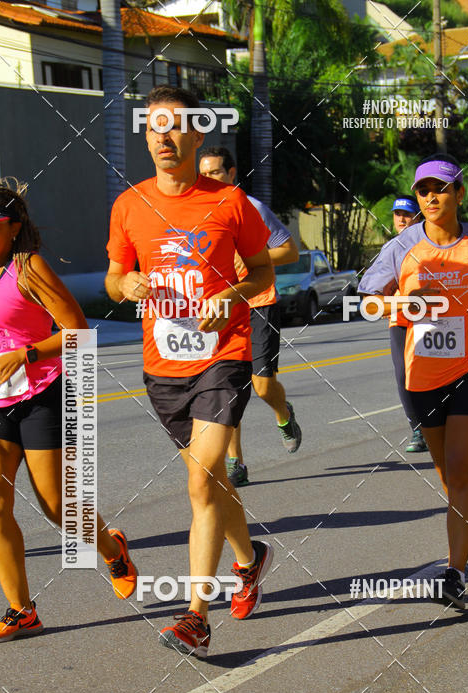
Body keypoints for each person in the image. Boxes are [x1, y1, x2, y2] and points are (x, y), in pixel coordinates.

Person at [105, 86, 275, 657]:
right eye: (155, 127)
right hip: (162, 367)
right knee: (215, 483)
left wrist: (232, 295)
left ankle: (196, 616)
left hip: (222, 357)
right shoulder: (129, 205)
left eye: (176, 126)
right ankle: (249, 562)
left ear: (198, 135)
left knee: (201, 481)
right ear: (146, 136)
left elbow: (262, 269)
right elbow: (113, 277)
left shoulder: (229, 203)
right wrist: (124, 284)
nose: (164, 136)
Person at [359, 154, 468, 608]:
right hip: (423, 373)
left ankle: (453, 573)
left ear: (459, 194)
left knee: (463, 469)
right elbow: (369, 301)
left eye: (442, 188)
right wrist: (403, 305)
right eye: (424, 190)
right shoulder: (402, 246)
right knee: (451, 479)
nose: (432, 197)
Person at [0, 180, 137, 642]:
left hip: (42, 393)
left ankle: (113, 551)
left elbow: (80, 333)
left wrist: (28, 353)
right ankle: (22, 610)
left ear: (13, 228)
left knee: (59, 507)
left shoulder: (28, 268)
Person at [198, 146, 301, 487]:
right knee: (226, 386)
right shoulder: (195, 212)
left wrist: (252, 260)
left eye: (214, 172)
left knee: (262, 384)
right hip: (221, 309)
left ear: (231, 174)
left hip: (258, 302)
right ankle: (235, 462)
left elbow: (289, 250)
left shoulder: (251, 207)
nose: (207, 178)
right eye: (203, 172)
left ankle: (283, 413)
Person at [387, 195, 427, 453]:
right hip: (399, 319)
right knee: (403, 375)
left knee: (427, 375)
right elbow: (379, 287)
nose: (401, 219)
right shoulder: (390, 248)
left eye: (406, 214)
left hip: (429, 319)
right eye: (397, 214)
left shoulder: (427, 244)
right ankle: (417, 428)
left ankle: (439, 422)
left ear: (417, 217)